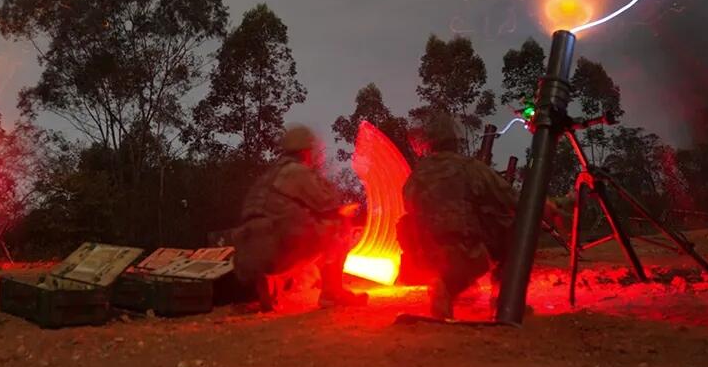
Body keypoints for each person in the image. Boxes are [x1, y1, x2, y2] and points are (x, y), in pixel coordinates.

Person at [397, 112, 568, 319]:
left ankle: (445, 285)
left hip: (423, 257)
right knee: (514, 226)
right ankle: (501, 299)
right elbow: (515, 201)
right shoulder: (470, 169)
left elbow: (412, 211)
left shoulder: (415, 177)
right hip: (465, 251)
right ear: (454, 141)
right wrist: (547, 205)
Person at [232, 125, 368, 311]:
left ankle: (269, 292)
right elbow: (328, 205)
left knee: (294, 229)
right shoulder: (296, 172)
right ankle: (332, 293)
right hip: (277, 249)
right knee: (338, 224)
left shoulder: (267, 178)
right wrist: (345, 207)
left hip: (248, 256)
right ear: (306, 151)